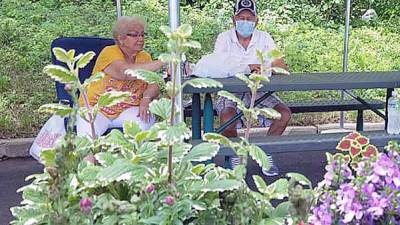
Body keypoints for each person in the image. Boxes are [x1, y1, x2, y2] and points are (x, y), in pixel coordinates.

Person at [214, 0, 292, 175]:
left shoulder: (264, 38)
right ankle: (234, 156)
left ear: (256, 20)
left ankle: (266, 154)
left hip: (259, 90)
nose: (245, 21)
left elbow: (281, 64)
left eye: (249, 18)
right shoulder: (224, 38)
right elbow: (219, 64)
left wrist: (266, 67)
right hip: (231, 90)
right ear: (233, 19)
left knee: (284, 115)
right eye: (241, 17)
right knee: (228, 118)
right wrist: (249, 66)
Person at [77, 16, 163, 137]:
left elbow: (154, 84)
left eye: (143, 35)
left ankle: (134, 154)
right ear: (120, 38)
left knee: (146, 122)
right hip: (97, 108)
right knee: (87, 139)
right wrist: (163, 61)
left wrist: (146, 98)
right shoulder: (109, 52)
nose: (141, 39)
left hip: (128, 109)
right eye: (135, 35)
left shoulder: (145, 57)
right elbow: (125, 72)